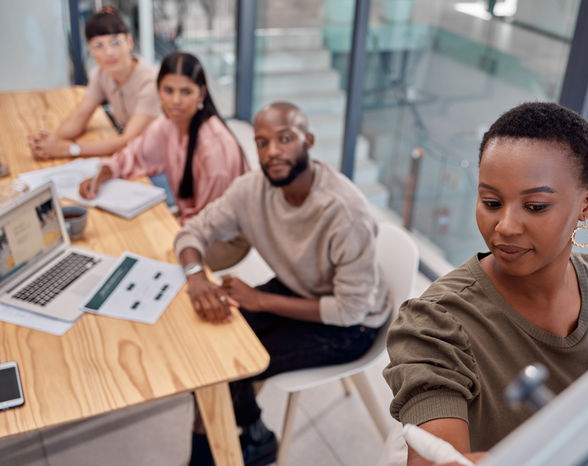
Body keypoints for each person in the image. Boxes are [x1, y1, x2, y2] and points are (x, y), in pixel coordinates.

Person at [382, 102, 588, 465]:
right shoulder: (434, 323)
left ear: (586, 204)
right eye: (491, 202)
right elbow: (437, 455)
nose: (506, 226)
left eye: (535, 206)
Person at [174, 101, 392, 466]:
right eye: (262, 142)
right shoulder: (252, 190)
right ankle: (252, 431)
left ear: (308, 140)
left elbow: (350, 308)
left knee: (234, 366)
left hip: (352, 325)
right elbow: (193, 232)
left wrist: (261, 301)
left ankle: (242, 443)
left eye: (285, 139)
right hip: (300, 288)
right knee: (211, 349)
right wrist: (195, 278)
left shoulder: (343, 212)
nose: (272, 151)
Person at [78, 52, 249, 225]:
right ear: (158, 91)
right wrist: (102, 175)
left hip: (221, 232)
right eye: (168, 90)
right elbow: (134, 155)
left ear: (201, 95)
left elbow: (212, 221)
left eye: (186, 92)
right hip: (192, 219)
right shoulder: (168, 124)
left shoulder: (213, 148)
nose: (175, 101)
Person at [27, 7, 160, 159]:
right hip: (134, 152)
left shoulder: (151, 81)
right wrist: (49, 142)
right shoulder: (102, 73)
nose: (109, 52)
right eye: (98, 46)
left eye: (115, 42)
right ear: (90, 49)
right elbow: (79, 117)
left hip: (158, 158)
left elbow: (126, 141)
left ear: (129, 42)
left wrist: (67, 149)